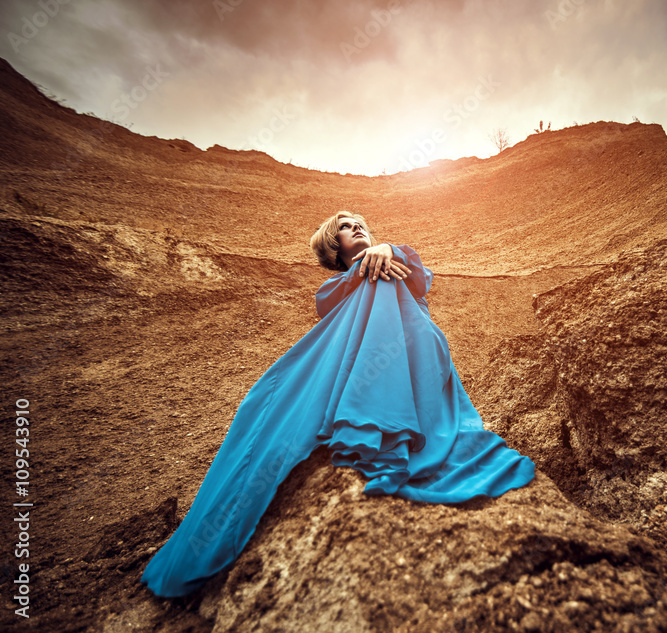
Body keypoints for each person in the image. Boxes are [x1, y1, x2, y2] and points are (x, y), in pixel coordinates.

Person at [140, 211, 535, 598]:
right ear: (334, 246)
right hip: (372, 362)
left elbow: (418, 279)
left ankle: (387, 421)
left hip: (420, 360)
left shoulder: (396, 265)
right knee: (272, 404)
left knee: (384, 279)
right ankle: (373, 417)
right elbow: (335, 300)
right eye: (345, 228)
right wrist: (374, 258)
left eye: (360, 223)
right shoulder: (338, 289)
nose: (356, 227)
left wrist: (387, 248)